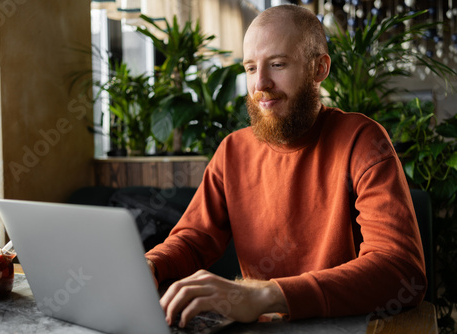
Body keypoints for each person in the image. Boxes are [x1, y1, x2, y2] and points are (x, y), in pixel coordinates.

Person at [145, 3, 426, 328]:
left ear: (319, 68)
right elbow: (194, 240)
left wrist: (267, 295)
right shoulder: (232, 150)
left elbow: (401, 270)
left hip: (336, 325)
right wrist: (148, 266)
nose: (260, 83)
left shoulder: (361, 140)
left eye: (277, 64)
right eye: (250, 68)